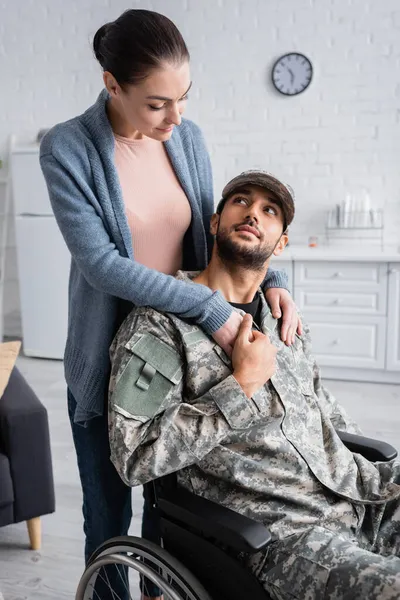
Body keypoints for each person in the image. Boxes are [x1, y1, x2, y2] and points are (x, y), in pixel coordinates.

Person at [39, 9, 300, 600]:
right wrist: (211, 310)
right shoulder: (68, 149)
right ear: (112, 85)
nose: (176, 117)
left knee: (172, 518)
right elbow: (102, 265)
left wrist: (273, 274)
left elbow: (213, 233)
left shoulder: (186, 137)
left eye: (183, 98)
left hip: (185, 362)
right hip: (109, 368)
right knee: (108, 524)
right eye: (157, 103)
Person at [109, 169, 400, 600]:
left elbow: (324, 408)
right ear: (215, 222)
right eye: (241, 201)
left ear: (281, 243)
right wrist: (239, 385)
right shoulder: (159, 327)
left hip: (358, 492)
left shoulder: (284, 318)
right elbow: (133, 458)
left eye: (269, 210)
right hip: (281, 534)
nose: (252, 214)